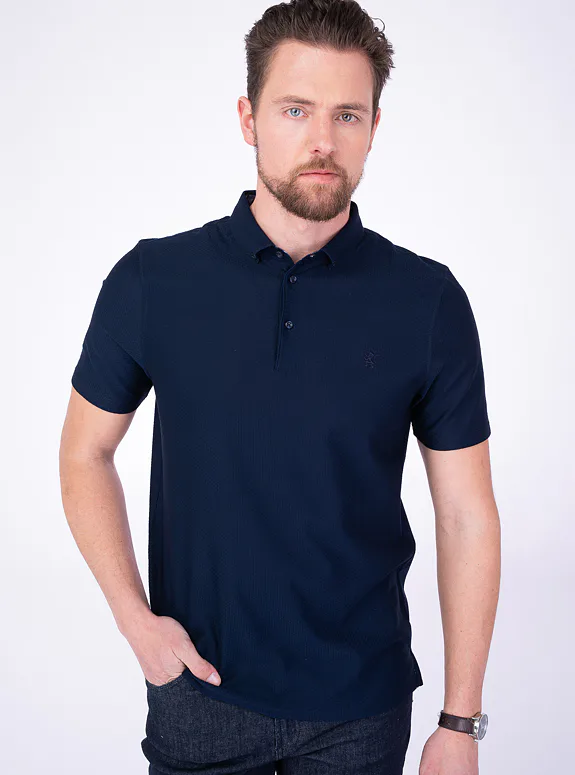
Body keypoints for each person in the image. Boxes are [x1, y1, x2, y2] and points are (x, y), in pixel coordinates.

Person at [59, 1, 501, 773]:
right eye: (295, 109)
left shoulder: (426, 300)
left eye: (346, 115)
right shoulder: (153, 280)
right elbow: (83, 452)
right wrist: (135, 620)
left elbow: (465, 514)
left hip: (361, 710)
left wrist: (459, 720)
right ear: (248, 119)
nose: (321, 140)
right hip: (199, 690)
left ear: (373, 127)